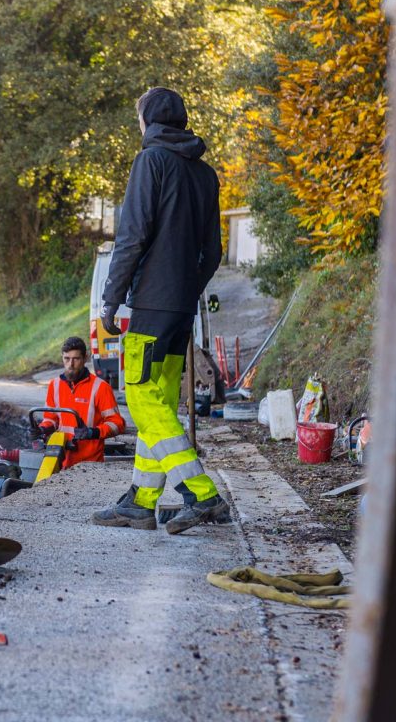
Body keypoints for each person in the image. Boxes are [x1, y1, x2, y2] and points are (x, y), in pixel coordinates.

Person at [91, 87, 227, 534]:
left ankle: (201, 494)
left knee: (144, 398)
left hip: (151, 304)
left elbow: (131, 236)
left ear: (149, 120)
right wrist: (187, 290)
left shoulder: (150, 162)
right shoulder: (205, 175)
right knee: (161, 404)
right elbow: (213, 253)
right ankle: (141, 500)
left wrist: (111, 299)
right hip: (180, 309)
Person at [38, 336, 126, 467]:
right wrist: (43, 429)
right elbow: (51, 419)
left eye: (76, 359)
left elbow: (117, 424)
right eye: (66, 359)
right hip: (60, 460)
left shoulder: (101, 387)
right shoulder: (54, 385)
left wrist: (93, 432)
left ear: (85, 359)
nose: (70, 365)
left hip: (90, 464)